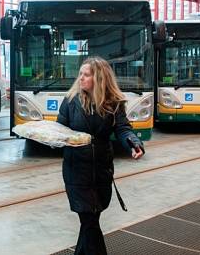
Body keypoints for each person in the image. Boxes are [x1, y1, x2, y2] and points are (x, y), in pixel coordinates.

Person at [57, 56, 145, 255]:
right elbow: (59, 130)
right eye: (80, 74)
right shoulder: (70, 101)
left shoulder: (113, 103)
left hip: (101, 171)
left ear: (99, 79)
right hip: (76, 170)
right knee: (88, 220)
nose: (80, 78)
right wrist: (48, 136)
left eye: (86, 75)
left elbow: (123, 128)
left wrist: (134, 143)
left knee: (91, 221)